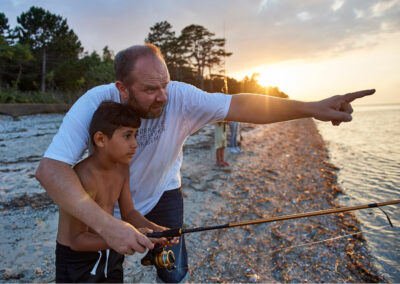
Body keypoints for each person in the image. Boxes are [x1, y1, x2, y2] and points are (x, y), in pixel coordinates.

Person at [35, 43, 375, 283]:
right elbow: (51, 170)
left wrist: (311, 107)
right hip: (104, 203)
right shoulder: (96, 103)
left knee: (171, 266)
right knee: (107, 266)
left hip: (163, 193)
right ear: (123, 88)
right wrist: (109, 227)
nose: (163, 97)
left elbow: (241, 105)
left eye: (165, 85)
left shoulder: (181, 97)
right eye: (151, 89)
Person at [55, 101, 174, 282]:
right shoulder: (83, 177)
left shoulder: (122, 167)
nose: (135, 144)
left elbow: (129, 212)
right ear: (101, 139)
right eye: (127, 136)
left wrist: (156, 230)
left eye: (136, 135)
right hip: (78, 258)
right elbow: (77, 240)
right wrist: (121, 238)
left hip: (110, 247)